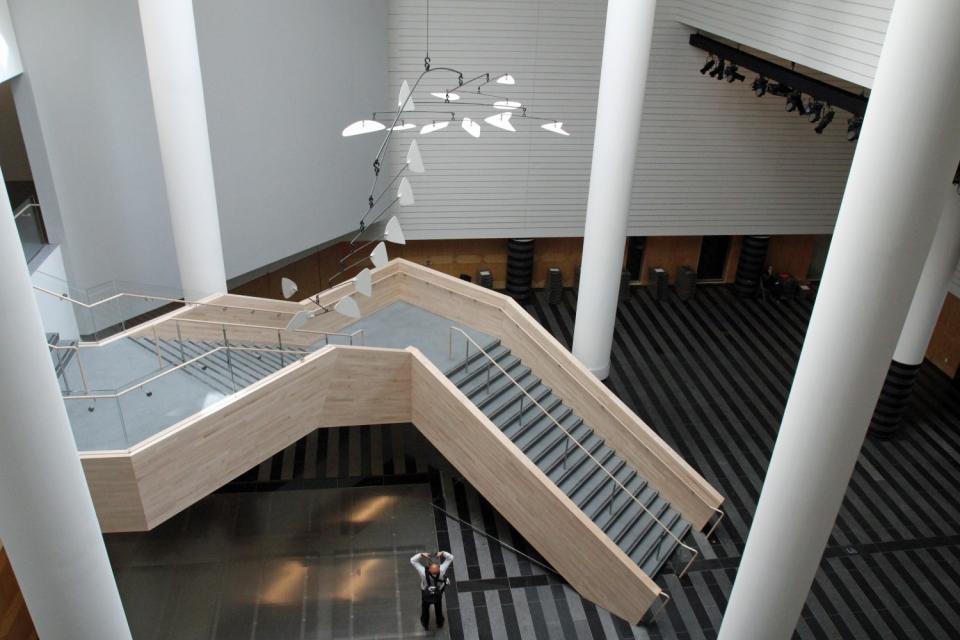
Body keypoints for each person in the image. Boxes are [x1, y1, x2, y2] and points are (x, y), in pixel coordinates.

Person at [410, 550, 454, 630]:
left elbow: (412, 560)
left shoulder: (423, 572)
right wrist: (443, 553)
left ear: (429, 567)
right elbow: (450, 558)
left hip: (425, 592)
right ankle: (440, 622)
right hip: (438, 592)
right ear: (438, 566)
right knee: (438, 607)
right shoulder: (442, 570)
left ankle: (425, 623)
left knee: (425, 608)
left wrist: (421, 554)